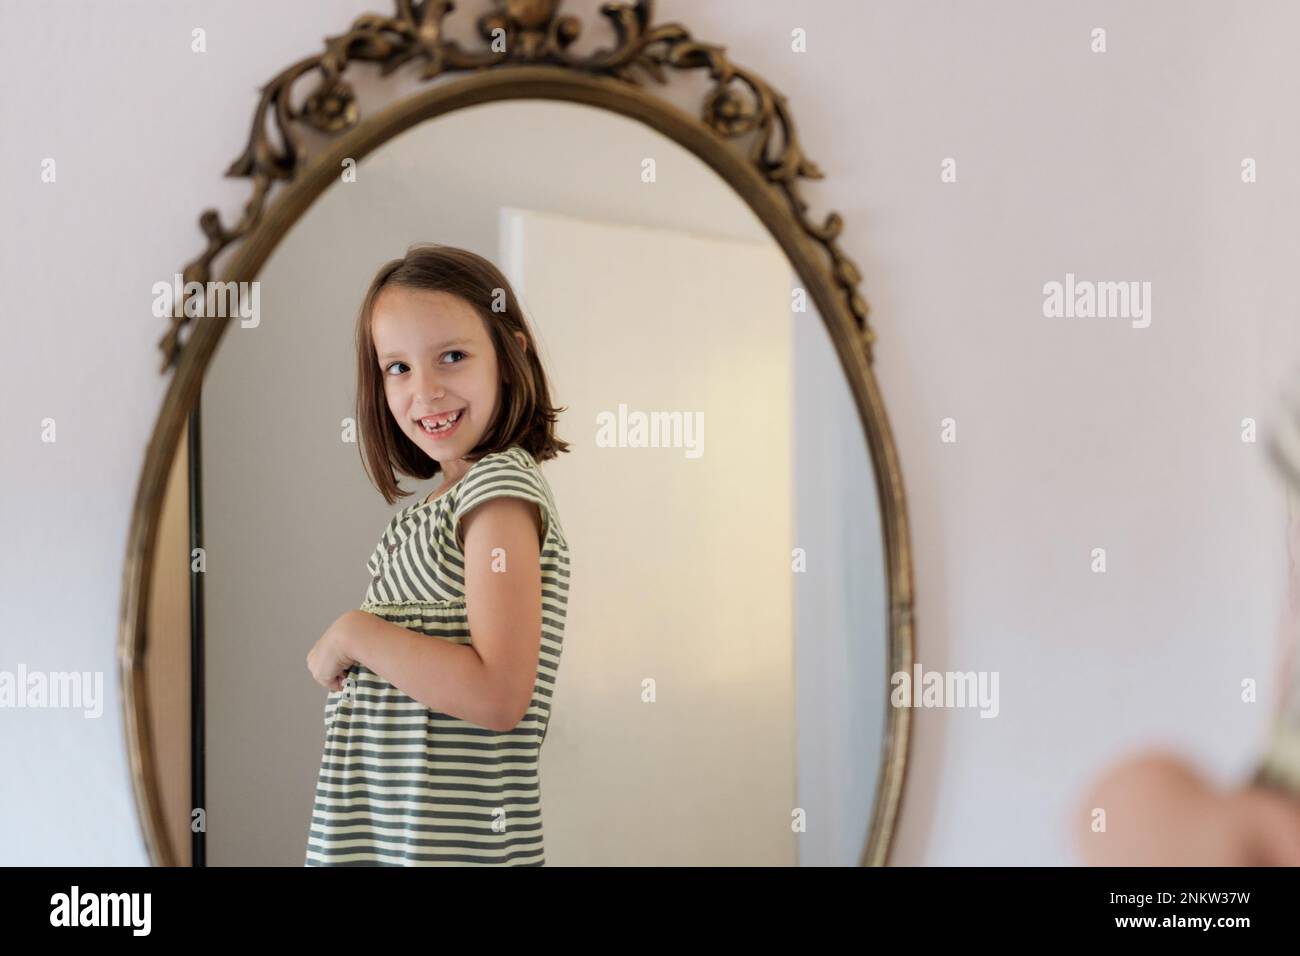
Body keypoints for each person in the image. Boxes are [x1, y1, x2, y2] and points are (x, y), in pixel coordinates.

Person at [304, 243, 572, 865]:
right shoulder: (439, 505)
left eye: (451, 357)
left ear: (509, 359)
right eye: (397, 367)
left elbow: (499, 695)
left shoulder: (498, 490)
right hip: (390, 841)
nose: (424, 391)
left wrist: (353, 633)